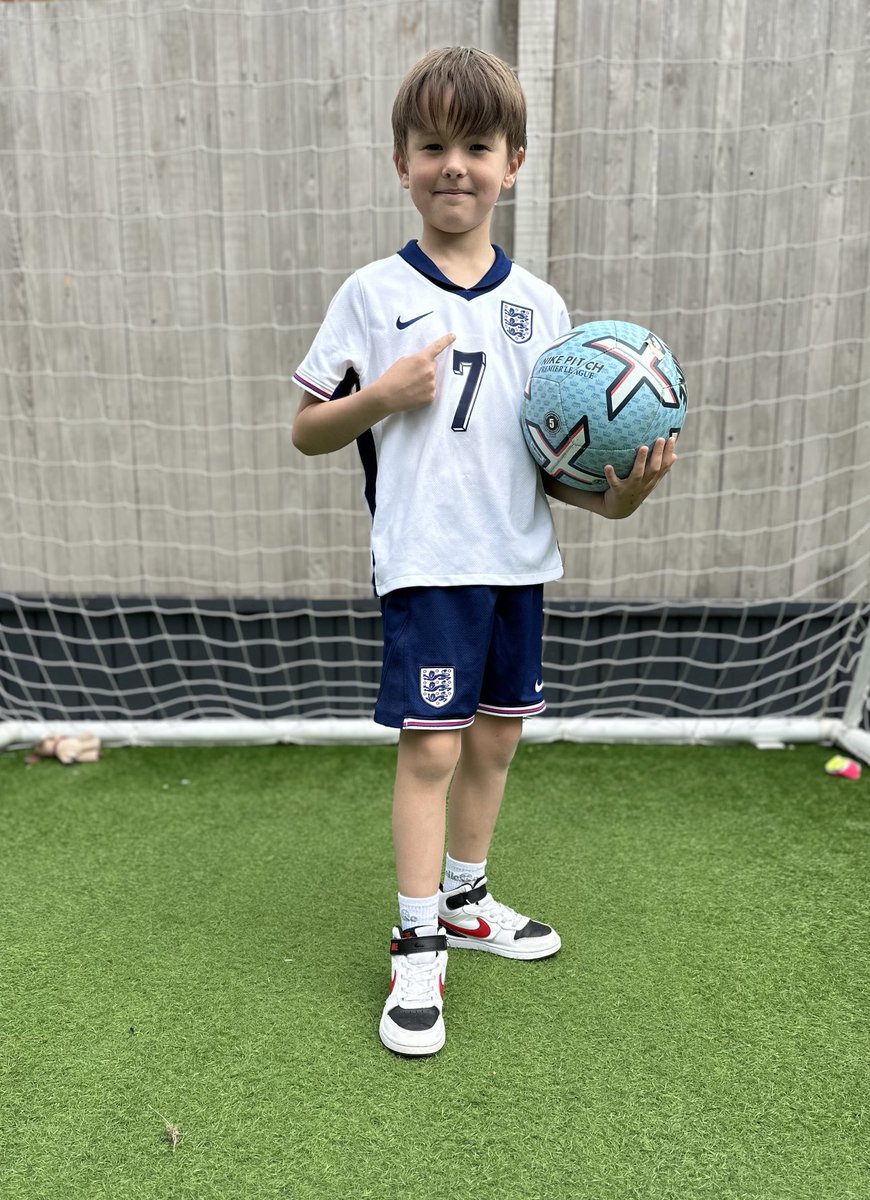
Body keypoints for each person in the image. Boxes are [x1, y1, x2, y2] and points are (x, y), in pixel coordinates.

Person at [292, 46, 676, 1056]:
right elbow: (307, 430)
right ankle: (415, 941)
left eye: (476, 146)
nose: (453, 166)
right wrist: (378, 397)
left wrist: (618, 501)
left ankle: (466, 899)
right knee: (433, 747)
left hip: (519, 561)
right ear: (400, 162)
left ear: (515, 162)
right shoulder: (372, 293)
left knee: (498, 737)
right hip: (428, 561)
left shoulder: (543, 310)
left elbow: (551, 468)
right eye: (431, 147)